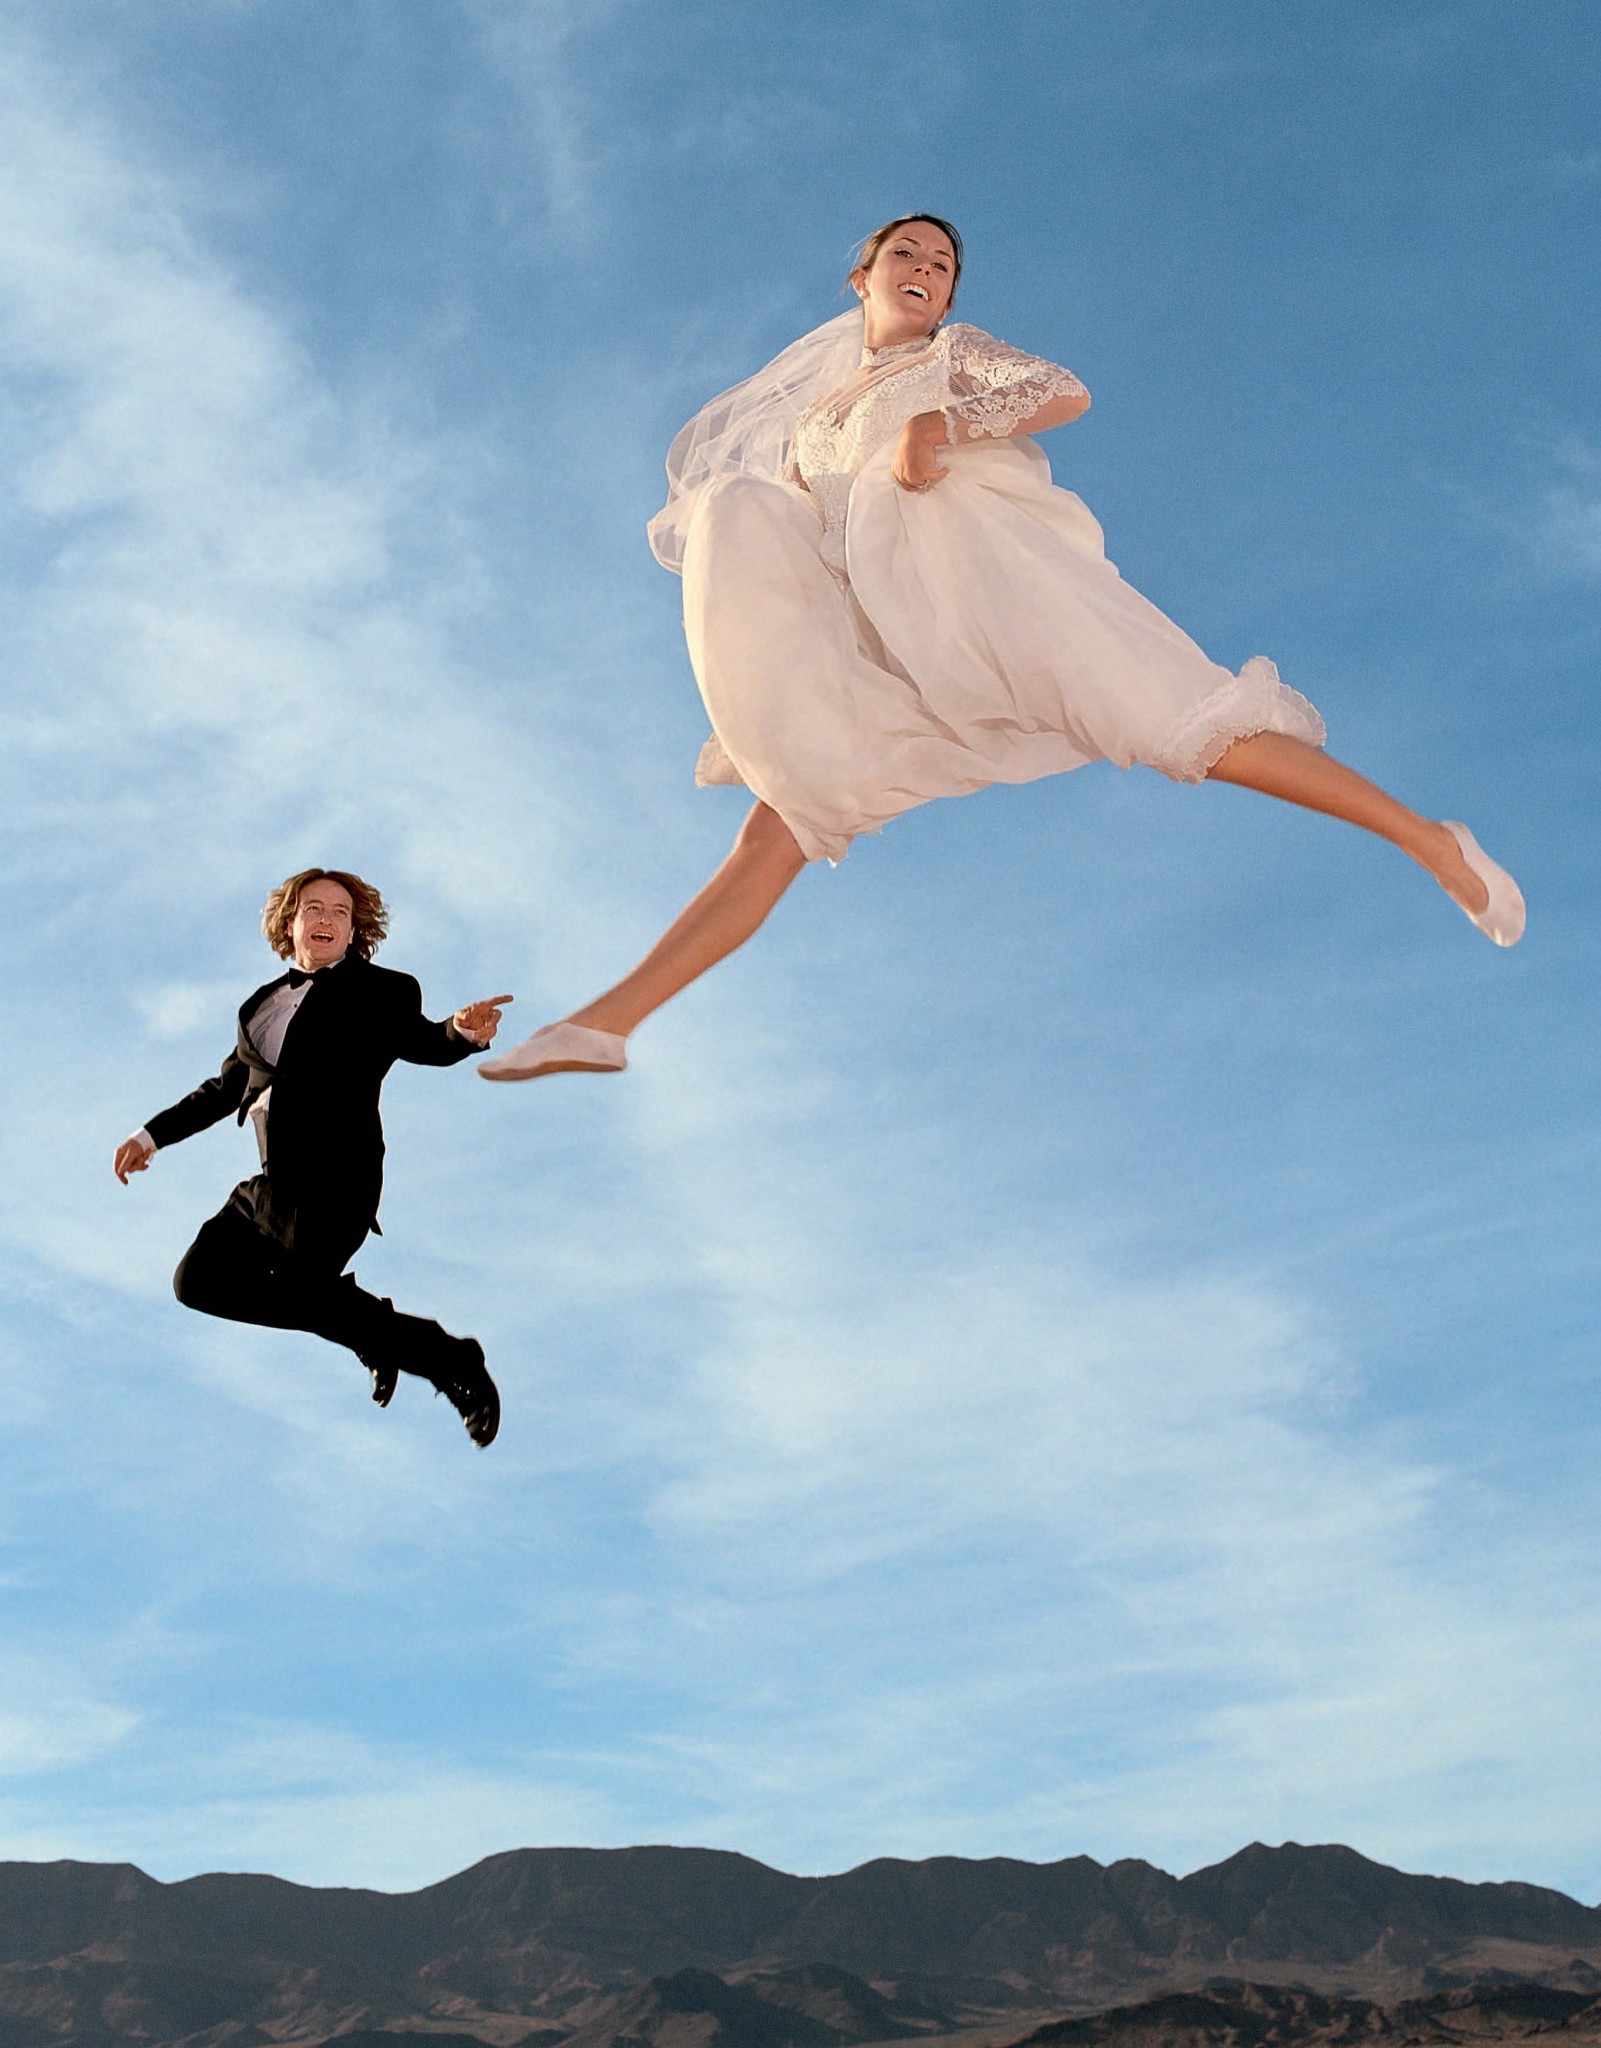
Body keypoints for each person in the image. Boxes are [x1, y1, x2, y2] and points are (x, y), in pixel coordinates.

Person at [479, 214, 1524, 1085]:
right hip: (887, 632)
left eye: (941, 263)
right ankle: (605, 1022)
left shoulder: (952, 354)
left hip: (989, 582)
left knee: (1177, 723)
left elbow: (1062, 390)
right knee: (783, 817)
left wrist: (939, 424)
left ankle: (1430, 841)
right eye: (905, 254)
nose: (925, 269)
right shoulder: (813, 418)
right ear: (861, 277)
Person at [115, 869, 513, 1447]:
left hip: (336, 1183)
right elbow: (225, 1088)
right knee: (197, 1280)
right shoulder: (259, 1008)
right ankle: (370, 1330)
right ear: (291, 924)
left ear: (353, 932)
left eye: (340, 913)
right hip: (269, 1187)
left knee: (312, 1293)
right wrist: (149, 1136)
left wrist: (460, 1033)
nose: (327, 919)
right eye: (314, 909)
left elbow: (422, 1040)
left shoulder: (382, 991)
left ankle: (447, 1360)